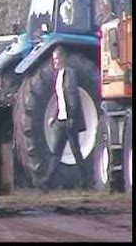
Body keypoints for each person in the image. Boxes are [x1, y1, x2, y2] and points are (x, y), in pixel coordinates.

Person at [39, 46, 88, 192]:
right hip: (61, 120)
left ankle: (84, 182)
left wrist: (72, 116)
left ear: (63, 58)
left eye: (57, 58)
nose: (54, 62)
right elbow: (60, 100)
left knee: (76, 151)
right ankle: (47, 182)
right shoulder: (58, 75)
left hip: (69, 120)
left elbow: (72, 95)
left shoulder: (69, 74)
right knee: (56, 152)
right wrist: (54, 117)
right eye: (53, 59)